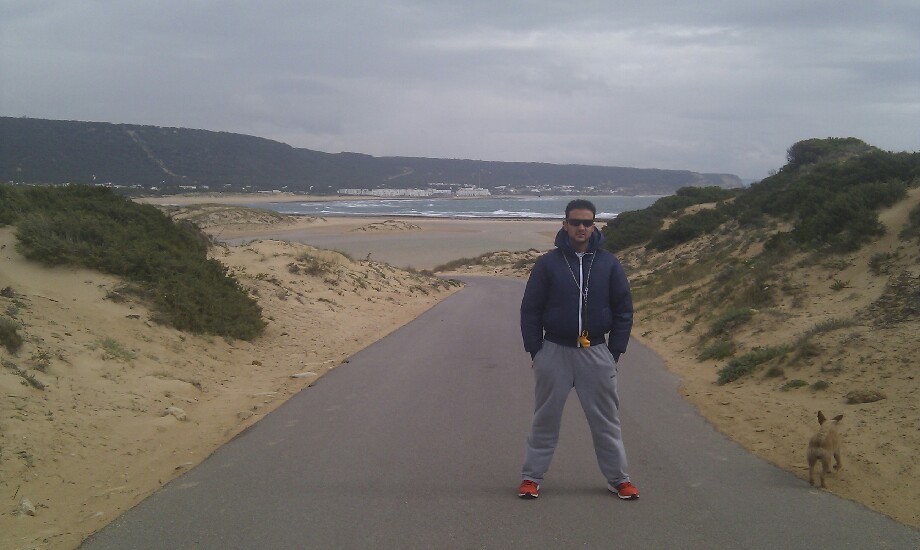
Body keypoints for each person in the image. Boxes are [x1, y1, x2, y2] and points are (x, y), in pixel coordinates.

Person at [517, 199, 638, 500]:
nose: (581, 227)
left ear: (594, 225)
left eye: (587, 222)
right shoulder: (548, 263)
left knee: (606, 420)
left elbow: (624, 310)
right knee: (545, 419)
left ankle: (618, 479)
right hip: (554, 350)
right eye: (575, 222)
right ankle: (531, 477)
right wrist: (536, 351)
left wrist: (614, 352)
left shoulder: (609, 263)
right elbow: (530, 309)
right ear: (565, 224)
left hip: (596, 352)